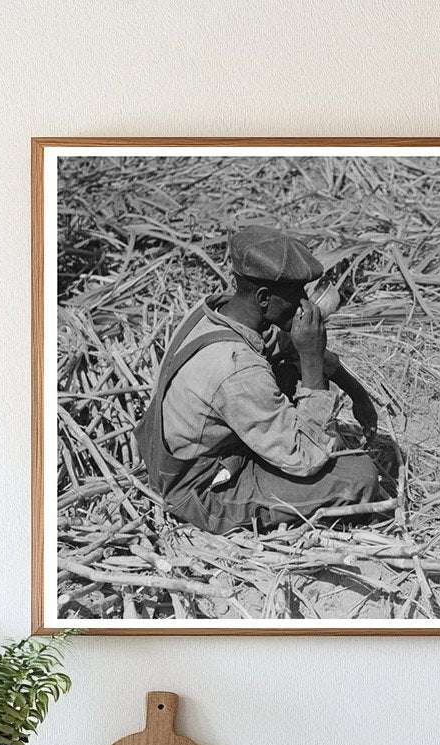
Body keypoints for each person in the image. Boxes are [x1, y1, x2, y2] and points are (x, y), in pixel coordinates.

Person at [136, 224, 380, 534]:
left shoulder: (219, 311)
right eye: (296, 295)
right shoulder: (237, 368)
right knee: (360, 477)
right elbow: (308, 457)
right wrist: (311, 360)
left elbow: (286, 347)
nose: (305, 303)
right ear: (264, 297)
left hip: (183, 453)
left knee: (288, 368)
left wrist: (358, 395)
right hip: (202, 488)